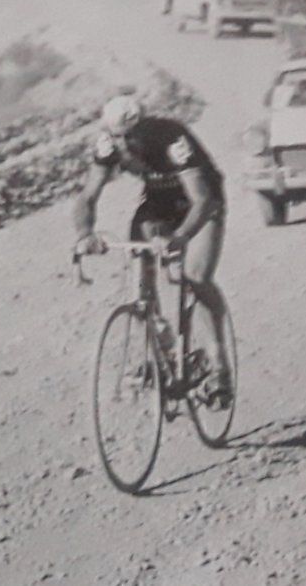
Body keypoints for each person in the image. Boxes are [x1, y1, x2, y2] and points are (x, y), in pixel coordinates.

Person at [73, 95, 231, 408]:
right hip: (158, 204)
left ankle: (219, 365)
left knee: (194, 276)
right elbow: (87, 197)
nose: (123, 145)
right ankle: (165, 350)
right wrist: (85, 234)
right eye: (117, 138)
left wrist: (181, 237)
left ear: (143, 127)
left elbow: (201, 199)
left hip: (202, 203)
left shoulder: (171, 139)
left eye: (129, 136)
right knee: (140, 278)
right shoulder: (108, 146)